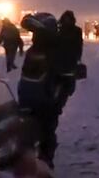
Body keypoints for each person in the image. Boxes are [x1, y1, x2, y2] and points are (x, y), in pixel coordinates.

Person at [19, 12, 60, 168]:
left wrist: (54, 95)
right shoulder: (33, 51)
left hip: (45, 100)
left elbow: (61, 76)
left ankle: (45, 163)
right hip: (28, 97)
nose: (35, 36)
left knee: (46, 131)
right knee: (25, 130)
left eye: (38, 33)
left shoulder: (53, 51)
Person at [52, 10, 83, 111]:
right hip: (62, 60)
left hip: (67, 60)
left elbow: (79, 45)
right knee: (61, 82)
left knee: (67, 83)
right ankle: (57, 102)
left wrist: (78, 57)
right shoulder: (61, 29)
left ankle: (60, 101)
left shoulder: (61, 30)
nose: (67, 21)